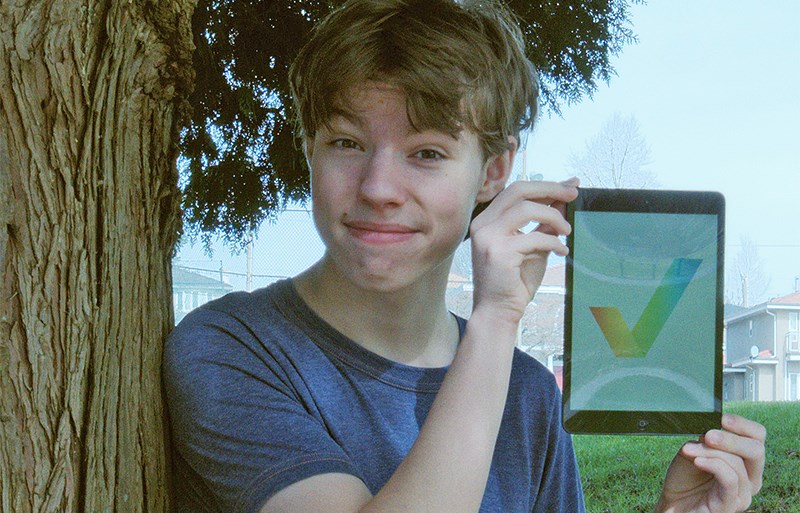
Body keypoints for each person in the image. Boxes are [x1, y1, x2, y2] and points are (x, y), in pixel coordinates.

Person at [163, 1, 766, 512]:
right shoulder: (230, 348)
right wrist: (497, 318)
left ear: (493, 172)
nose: (377, 187)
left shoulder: (527, 393)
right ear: (309, 149)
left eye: (426, 153)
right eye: (346, 143)